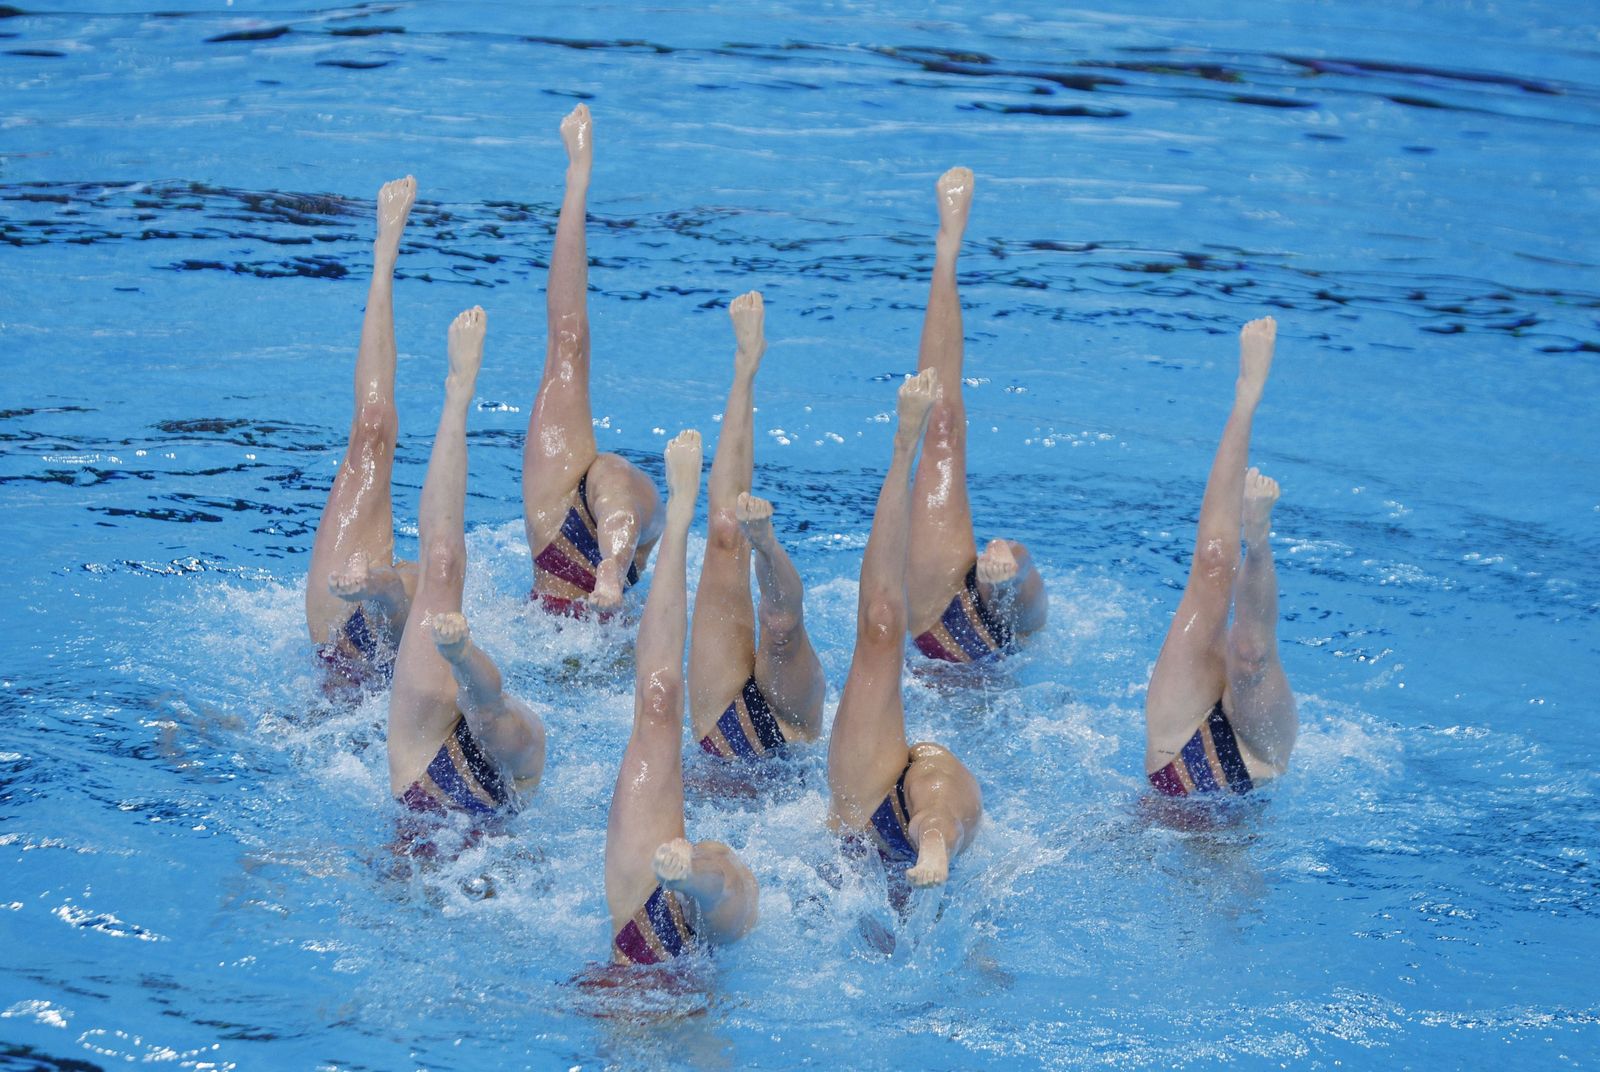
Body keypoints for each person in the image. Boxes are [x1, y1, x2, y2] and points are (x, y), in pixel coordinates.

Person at [605, 430, 760, 965]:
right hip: (623, 985)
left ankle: (678, 516)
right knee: (658, 698)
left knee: (659, 699)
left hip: (668, 965)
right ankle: (679, 516)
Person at [387, 308, 545, 817]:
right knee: (441, 563)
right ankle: (458, 393)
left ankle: (458, 393)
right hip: (465, 771)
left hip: (436, 769)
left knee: (441, 565)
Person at [828, 369, 982, 888]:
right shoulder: (927, 781)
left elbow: (936, 821)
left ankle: (935, 850)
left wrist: (933, 851)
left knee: (937, 810)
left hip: (908, 818)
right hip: (878, 811)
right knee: (879, 625)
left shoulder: (935, 783)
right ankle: (902, 448)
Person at [1145, 317, 1297, 796]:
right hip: (1195, 764)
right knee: (1246, 645)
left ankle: (1259, 536)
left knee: (1244, 639)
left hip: (1220, 761)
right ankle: (1258, 537)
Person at [522, 104, 663, 616]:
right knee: (567, 346)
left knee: (611, 473)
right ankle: (576, 179)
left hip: (570, 558)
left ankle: (614, 558)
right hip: (566, 559)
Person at [905, 168, 1047, 664]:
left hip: (964, 640)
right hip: (957, 631)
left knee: (939, 427)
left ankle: (1011, 573)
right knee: (940, 426)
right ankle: (947, 251)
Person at [688, 292, 825, 764]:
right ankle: (746, 366)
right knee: (728, 537)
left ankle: (765, 544)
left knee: (780, 623)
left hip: (778, 737)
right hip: (726, 741)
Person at [306, 176, 418, 689]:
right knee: (372, 428)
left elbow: (399, 617)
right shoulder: (417, 581)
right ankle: (383, 259)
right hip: (348, 633)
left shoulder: (429, 589)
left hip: (377, 663)